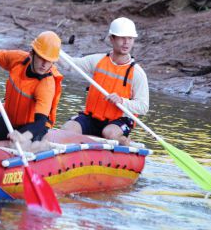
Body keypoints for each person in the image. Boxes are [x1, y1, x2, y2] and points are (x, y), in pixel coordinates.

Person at [0, 31, 63, 151]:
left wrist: (22, 137)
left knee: (13, 146)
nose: (44, 64)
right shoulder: (18, 58)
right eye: (41, 58)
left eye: (49, 61)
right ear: (32, 54)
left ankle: (42, 146)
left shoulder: (46, 85)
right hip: (6, 119)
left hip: (31, 128)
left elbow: (40, 123)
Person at [61, 17, 149, 145]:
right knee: (68, 129)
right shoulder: (98, 61)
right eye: (121, 38)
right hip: (92, 117)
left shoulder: (137, 73)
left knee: (110, 134)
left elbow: (143, 107)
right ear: (112, 39)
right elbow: (71, 65)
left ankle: (126, 143)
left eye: (130, 38)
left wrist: (122, 101)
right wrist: (55, 52)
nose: (126, 42)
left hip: (119, 122)